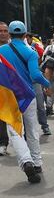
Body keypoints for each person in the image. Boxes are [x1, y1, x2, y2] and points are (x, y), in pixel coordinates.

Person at [0, 21, 50, 183]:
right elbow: (35, 75)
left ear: (9, 34)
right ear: (24, 35)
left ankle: (25, 160)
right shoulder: (31, 52)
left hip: (8, 97)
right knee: (32, 129)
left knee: (15, 131)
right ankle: (37, 162)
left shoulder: (1, 51)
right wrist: (48, 84)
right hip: (27, 95)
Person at [0, 22, 9, 156]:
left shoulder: (15, 46)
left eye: (5, 31)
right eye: (0, 31)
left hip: (14, 87)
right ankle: (3, 142)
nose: (2, 33)